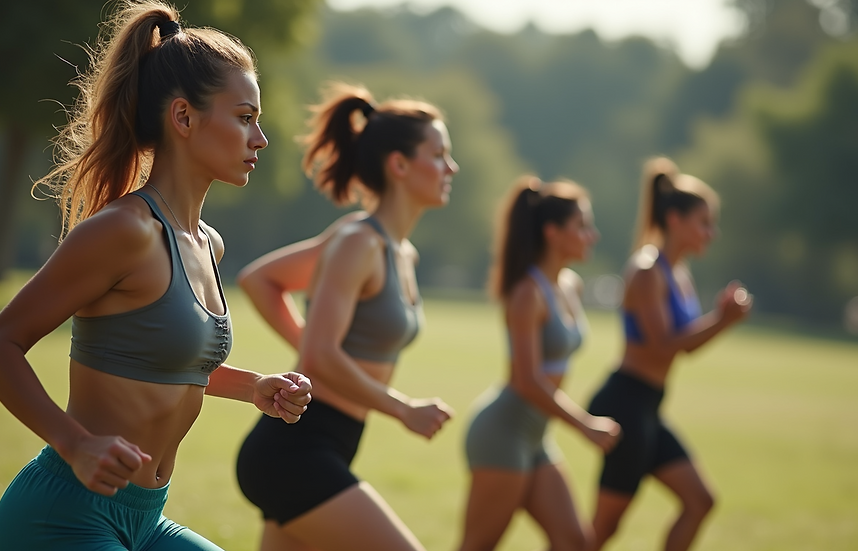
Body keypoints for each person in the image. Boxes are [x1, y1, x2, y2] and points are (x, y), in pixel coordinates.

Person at [0, 2, 312, 549]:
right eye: (245, 117)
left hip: (146, 518)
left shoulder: (207, 244)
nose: (260, 138)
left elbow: (169, 363)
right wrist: (75, 444)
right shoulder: (124, 231)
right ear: (183, 118)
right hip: (63, 516)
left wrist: (254, 388)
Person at [235, 82, 458, 551]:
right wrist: (403, 408)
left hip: (331, 441)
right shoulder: (359, 241)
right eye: (438, 155)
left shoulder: (401, 253)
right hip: (295, 449)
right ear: (398, 165)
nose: (450, 167)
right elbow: (312, 345)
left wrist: (311, 344)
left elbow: (263, 281)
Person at [585, 157, 752, 551]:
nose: (712, 232)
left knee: (700, 501)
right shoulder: (646, 271)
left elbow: (684, 346)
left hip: (648, 406)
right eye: (704, 222)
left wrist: (721, 320)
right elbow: (664, 345)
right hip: (624, 404)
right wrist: (723, 319)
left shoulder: (679, 274)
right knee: (600, 531)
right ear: (675, 219)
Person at [457, 177, 621, 551]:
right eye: (582, 226)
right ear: (552, 232)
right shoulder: (527, 293)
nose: (592, 236)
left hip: (536, 436)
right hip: (503, 432)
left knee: (574, 543)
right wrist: (585, 425)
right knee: (478, 545)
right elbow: (527, 381)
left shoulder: (571, 285)